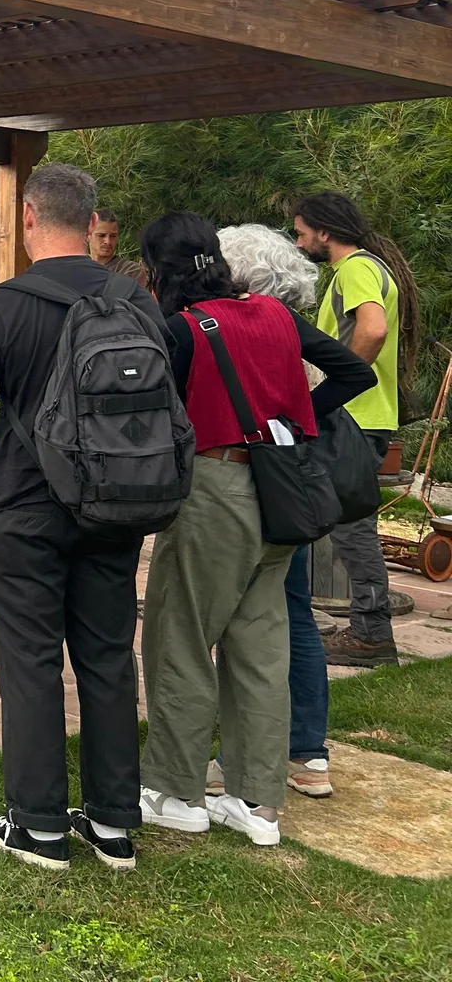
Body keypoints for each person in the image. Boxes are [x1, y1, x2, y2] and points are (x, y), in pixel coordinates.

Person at [134, 213, 373, 848]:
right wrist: (293, 418)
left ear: (159, 271)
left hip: (216, 488)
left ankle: (175, 791)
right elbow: (357, 373)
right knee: (262, 647)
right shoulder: (274, 315)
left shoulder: (182, 329)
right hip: (284, 488)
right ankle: (256, 802)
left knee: (181, 636)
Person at [0, 163, 155, 871]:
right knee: (106, 659)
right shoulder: (136, 300)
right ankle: (112, 826)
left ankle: (37, 827)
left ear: (32, 217)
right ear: (92, 217)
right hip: (115, 505)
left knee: (30, 660)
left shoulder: (5, 305)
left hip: (27, 506)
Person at [215, 223, 341, 802]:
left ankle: (257, 753)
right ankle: (306, 752)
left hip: (257, 478)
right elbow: (350, 374)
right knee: (291, 612)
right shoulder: (294, 327)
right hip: (294, 478)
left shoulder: (253, 326)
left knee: (252, 618)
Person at [294, 191, 416, 668]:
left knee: (351, 528)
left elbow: (373, 328)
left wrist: (336, 386)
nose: (300, 241)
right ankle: (367, 629)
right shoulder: (371, 266)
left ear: (325, 231)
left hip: (355, 417)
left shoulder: (355, 269)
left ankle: (371, 634)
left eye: (303, 232)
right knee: (347, 523)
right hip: (366, 415)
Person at [88, 206, 147, 285]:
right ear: (87, 235)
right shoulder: (78, 269)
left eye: (113, 236)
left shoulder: (130, 270)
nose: (107, 241)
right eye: (101, 235)